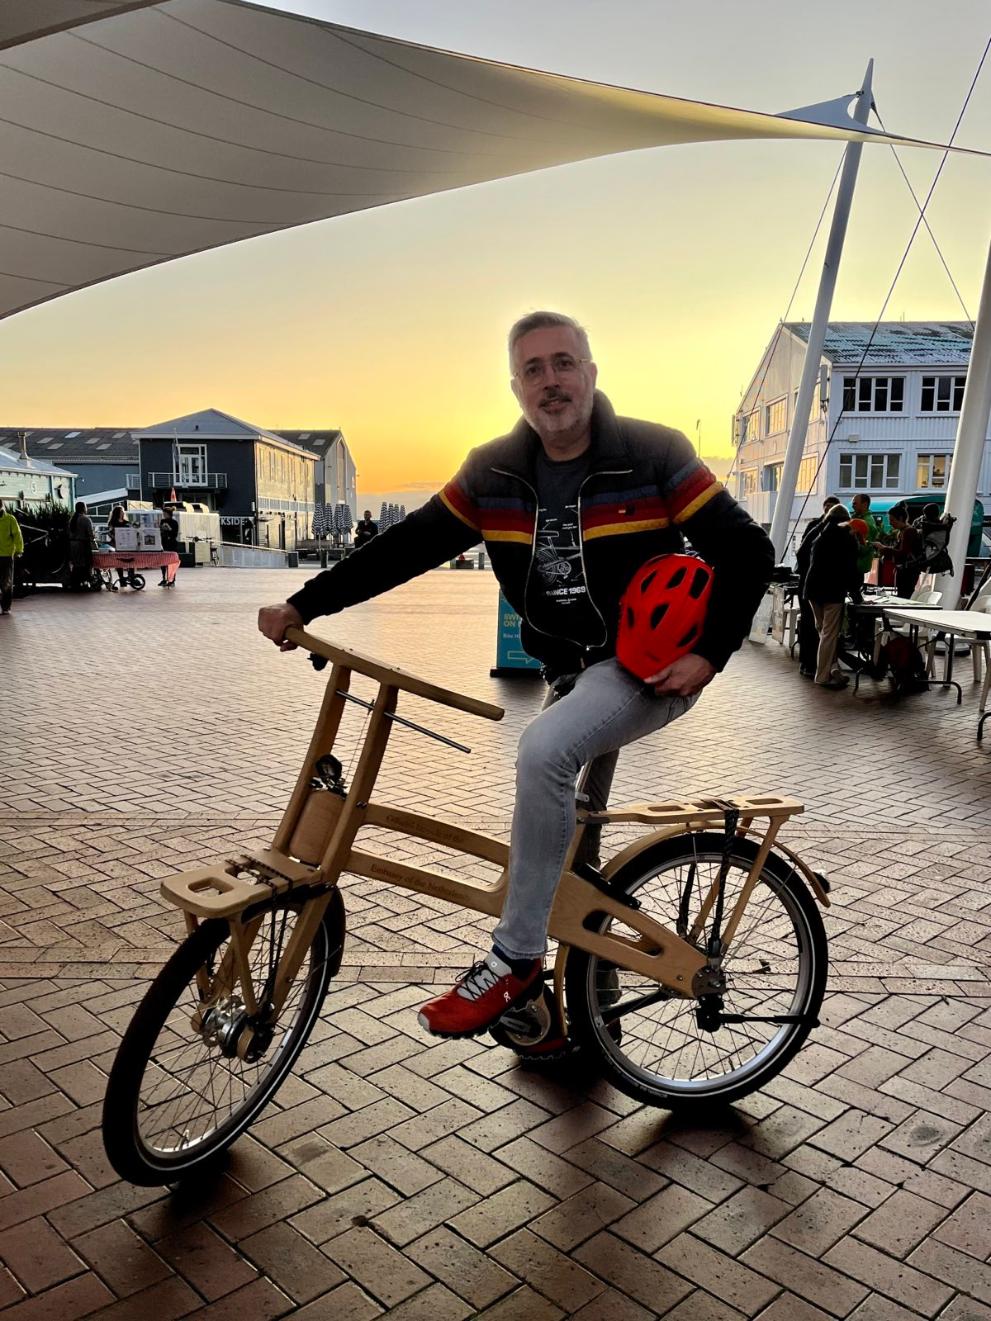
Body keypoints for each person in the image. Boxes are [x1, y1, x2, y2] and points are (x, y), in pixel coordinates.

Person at [258, 311, 774, 1038]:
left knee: (544, 752)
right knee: (566, 846)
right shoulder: (493, 470)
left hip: (640, 666)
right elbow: (408, 545)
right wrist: (304, 603)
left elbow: (746, 548)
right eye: (532, 369)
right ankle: (581, 1015)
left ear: (590, 374)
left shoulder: (652, 453)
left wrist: (710, 653)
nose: (550, 381)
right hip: (567, 669)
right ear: (515, 387)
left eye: (563, 363)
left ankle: (516, 959)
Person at [805, 503, 862, 689]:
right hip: (833, 591)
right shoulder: (847, 538)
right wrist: (857, 596)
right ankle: (822, 676)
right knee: (829, 635)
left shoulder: (819, 534)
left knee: (823, 632)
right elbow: (850, 569)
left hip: (813, 589)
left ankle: (834, 670)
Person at [794, 495, 840, 678]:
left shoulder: (815, 527)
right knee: (819, 628)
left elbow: (801, 554)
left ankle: (812, 665)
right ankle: (816, 667)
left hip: (809, 586)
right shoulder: (830, 530)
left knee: (813, 625)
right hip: (820, 587)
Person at [887, 502, 925, 599]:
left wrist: (884, 549)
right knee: (902, 595)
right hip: (905, 569)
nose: (890, 523)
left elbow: (903, 553)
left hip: (908, 571)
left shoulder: (909, 531)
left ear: (900, 518)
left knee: (904, 596)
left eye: (892, 520)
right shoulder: (902, 531)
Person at [0, 497, 24, 615]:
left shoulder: (10, 519)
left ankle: (5, 606)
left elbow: (17, 536)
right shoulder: (10, 519)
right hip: (6, 556)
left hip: (6, 555)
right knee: (6, 582)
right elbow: (18, 536)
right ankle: (5, 607)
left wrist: (19, 550)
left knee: (7, 582)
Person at [850, 493, 881, 584]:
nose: (853, 506)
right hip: (855, 564)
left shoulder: (867, 523)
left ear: (865, 504)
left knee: (854, 591)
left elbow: (864, 547)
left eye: (855, 503)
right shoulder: (857, 518)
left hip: (857, 565)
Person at [67, 501, 96, 589]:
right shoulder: (86, 519)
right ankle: (85, 581)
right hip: (82, 545)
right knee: (86, 564)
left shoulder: (71, 519)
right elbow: (90, 534)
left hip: (72, 544)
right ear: (83, 508)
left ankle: (75, 582)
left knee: (76, 565)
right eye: (86, 507)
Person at [107, 504, 130, 588]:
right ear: (117, 513)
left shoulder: (126, 522)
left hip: (127, 544)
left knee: (129, 559)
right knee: (119, 561)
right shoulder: (112, 523)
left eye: (123, 512)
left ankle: (130, 576)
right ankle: (121, 579)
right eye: (121, 512)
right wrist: (114, 536)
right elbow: (109, 533)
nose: (123, 513)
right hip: (116, 544)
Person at [159, 507, 179, 585]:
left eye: (165, 513)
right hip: (163, 543)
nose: (164, 515)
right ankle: (164, 578)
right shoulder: (162, 521)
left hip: (172, 544)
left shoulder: (174, 522)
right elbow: (160, 531)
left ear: (169, 514)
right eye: (163, 513)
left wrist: (169, 528)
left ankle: (172, 579)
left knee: (171, 562)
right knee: (163, 562)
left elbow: (175, 534)